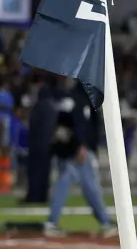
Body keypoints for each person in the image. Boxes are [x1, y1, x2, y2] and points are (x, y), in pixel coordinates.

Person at [44, 78, 117, 238]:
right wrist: (81, 145)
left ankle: (51, 221)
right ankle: (105, 221)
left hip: (66, 149)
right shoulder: (81, 98)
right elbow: (81, 124)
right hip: (77, 151)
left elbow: (62, 125)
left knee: (64, 184)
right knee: (90, 186)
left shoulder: (69, 98)